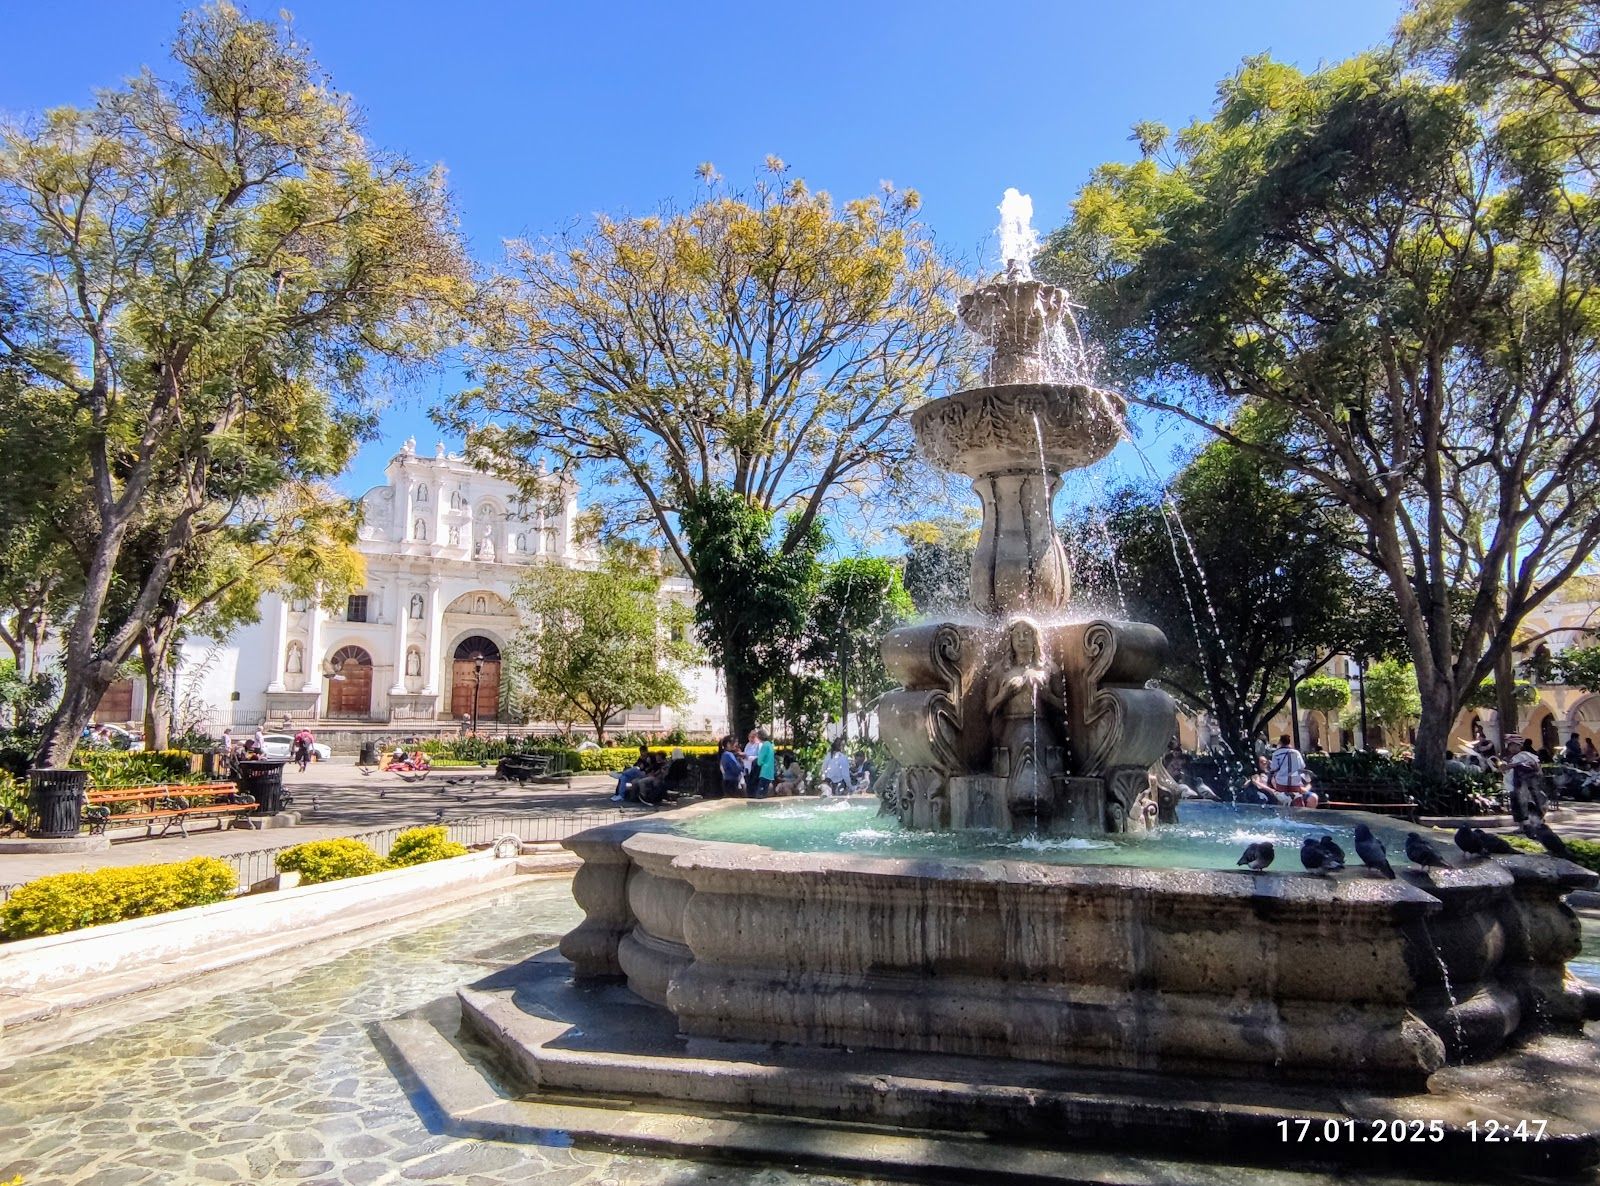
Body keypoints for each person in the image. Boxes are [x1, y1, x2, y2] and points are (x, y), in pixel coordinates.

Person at [1267, 735, 1309, 803]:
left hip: (1281, 782)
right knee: (1297, 799)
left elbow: (1274, 768)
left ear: (1280, 742)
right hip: (1295, 782)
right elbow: (1302, 766)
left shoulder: (1276, 754)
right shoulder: (1296, 753)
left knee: (1281, 799)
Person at [751, 729, 776, 799]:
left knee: (760, 793)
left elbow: (759, 761)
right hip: (770, 772)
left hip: (764, 771)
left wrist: (758, 762)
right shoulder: (770, 745)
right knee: (765, 792)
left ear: (759, 737)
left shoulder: (764, 746)